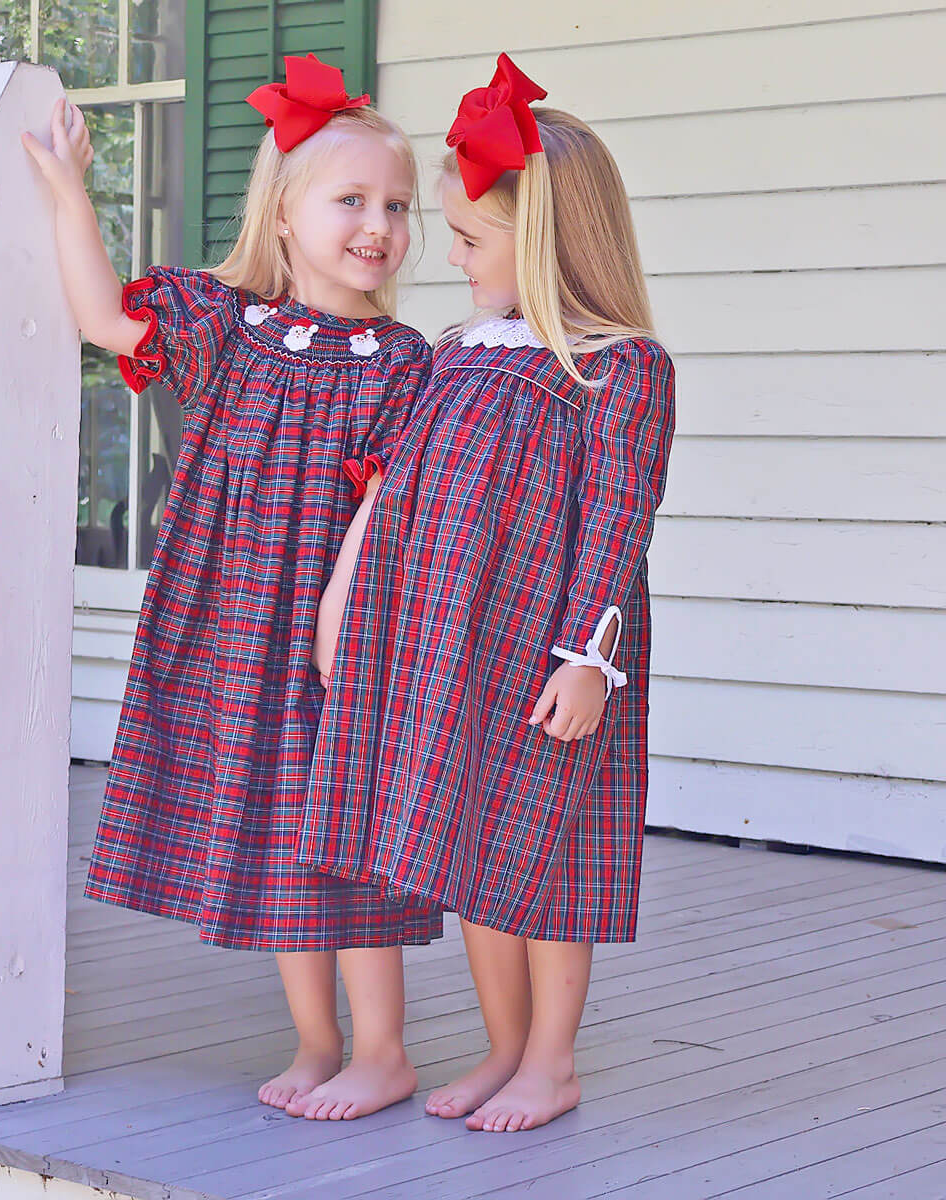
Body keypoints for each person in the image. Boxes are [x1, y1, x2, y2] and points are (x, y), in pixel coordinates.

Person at [24, 53, 442, 1121]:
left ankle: (382, 1050)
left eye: (396, 205)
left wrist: (347, 618)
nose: (378, 224)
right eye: (350, 199)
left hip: (342, 634)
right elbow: (104, 319)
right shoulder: (223, 327)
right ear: (287, 213)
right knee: (276, 833)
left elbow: (400, 503)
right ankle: (315, 1042)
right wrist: (73, 193)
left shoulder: (401, 362)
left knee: (342, 838)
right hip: (234, 625)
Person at [301, 53, 677, 1133]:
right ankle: (505, 1049)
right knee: (475, 853)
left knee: (549, 859)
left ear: (546, 241)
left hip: (551, 656)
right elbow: (399, 493)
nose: (450, 259)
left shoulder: (618, 367)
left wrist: (587, 660)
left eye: (469, 239)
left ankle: (550, 1061)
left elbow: (617, 522)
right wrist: (349, 605)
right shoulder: (461, 355)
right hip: (448, 646)